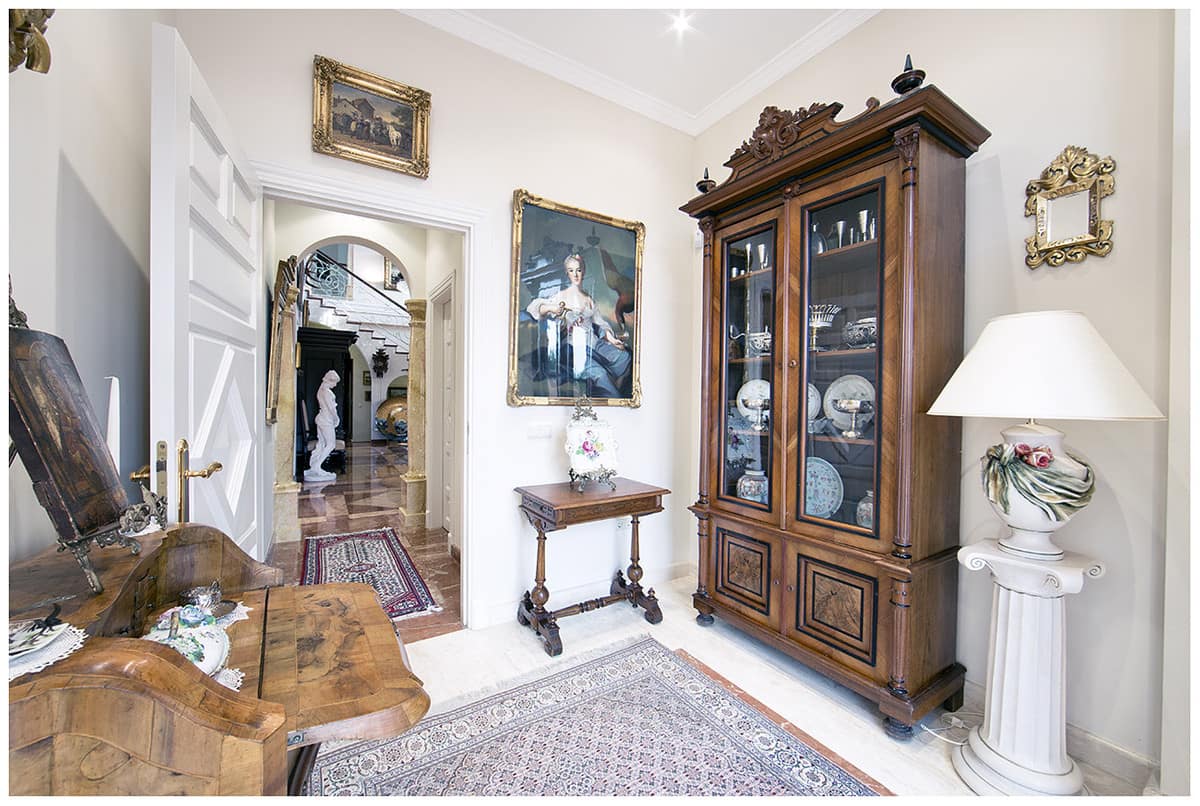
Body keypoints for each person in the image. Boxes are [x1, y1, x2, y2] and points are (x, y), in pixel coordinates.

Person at [526, 253, 630, 399]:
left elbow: (601, 324)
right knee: (600, 375)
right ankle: (614, 401)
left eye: (578, 270)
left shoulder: (589, 299)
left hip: (594, 344)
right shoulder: (561, 296)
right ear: (566, 273)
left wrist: (612, 339)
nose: (575, 274)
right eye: (571, 270)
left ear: (583, 272)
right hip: (573, 347)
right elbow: (534, 308)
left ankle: (618, 395)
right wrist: (553, 308)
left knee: (625, 357)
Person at [305, 370, 341, 481]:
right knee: (331, 444)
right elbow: (331, 409)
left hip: (321, 418)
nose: (335, 385)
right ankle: (317, 466)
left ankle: (313, 466)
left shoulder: (321, 390)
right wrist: (336, 418)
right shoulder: (327, 392)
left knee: (321, 443)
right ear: (330, 380)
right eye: (335, 382)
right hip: (326, 420)